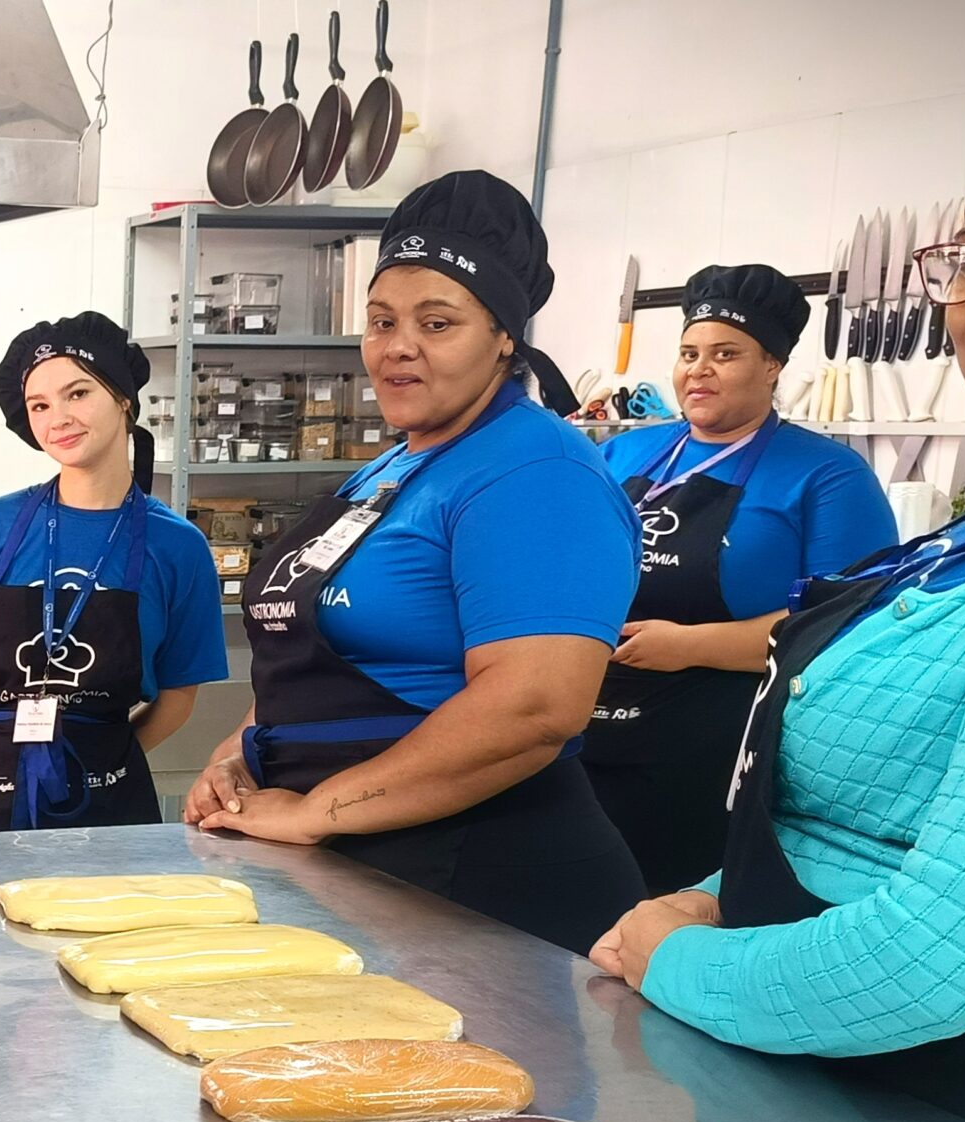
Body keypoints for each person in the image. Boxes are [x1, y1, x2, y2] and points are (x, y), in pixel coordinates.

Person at [591, 78, 965, 1122]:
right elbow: (856, 831)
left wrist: (669, 960)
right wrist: (710, 899)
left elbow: (938, 955)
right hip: (836, 1074)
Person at [184, 170, 648, 955]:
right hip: (365, 869)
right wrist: (237, 758)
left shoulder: (536, 472)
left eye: (437, 323)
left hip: (484, 886)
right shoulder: (394, 468)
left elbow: (535, 708)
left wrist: (313, 809)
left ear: (505, 335)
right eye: (381, 320)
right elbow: (315, 662)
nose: (398, 346)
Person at [583, 264, 897, 892]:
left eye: (725, 354)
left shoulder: (826, 475)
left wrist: (688, 647)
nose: (699, 369)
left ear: (773, 365)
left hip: (717, 747)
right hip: (583, 732)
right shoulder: (624, 452)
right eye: (689, 353)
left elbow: (844, 626)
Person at [0, 312, 231, 832]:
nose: (58, 418)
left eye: (77, 394)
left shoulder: (178, 547)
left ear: (122, 399)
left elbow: (180, 695)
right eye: (40, 405)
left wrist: (102, 757)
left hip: (110, 802)